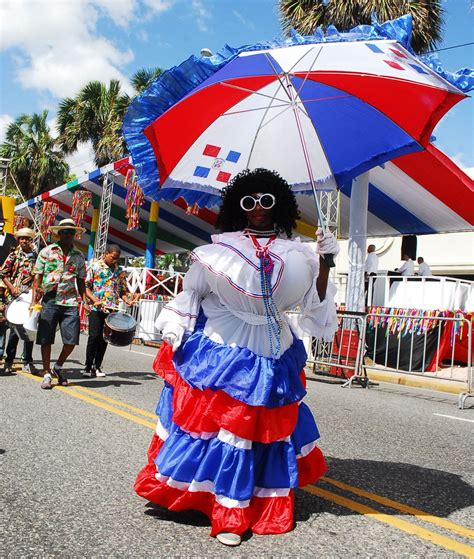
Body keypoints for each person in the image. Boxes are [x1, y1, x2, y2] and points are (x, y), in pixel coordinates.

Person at [134, 169, 339, 546]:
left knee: (262, 428)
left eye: (266, 200)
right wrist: (175, 327)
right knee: (229, 427)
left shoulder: (299, 253)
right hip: (223, 346)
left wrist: (326, 261)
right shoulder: (218, 251)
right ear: (238, 208)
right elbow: (191, 294)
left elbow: (316, 304)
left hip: (273, 345)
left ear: (279, 205)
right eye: (249, 201)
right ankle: (227, 510)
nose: (258, 208)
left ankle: (253, 498)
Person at [31, 218, 88, 390]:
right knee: (46, 338)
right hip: (50, 298)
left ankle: (59, 366)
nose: (68, 235)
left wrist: (84, 300)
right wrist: (35, 297)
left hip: (70, 301)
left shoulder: (78, 255)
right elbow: (37, 276)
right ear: (58, 233)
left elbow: (81, 280)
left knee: (71, 340)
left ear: (75, 234)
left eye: (71, 232)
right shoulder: (47, 251)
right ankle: (47, 372)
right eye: (65, 232)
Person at [84, 244, 130, 377]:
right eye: (113, 257)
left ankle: (97, 366)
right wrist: (94, 300)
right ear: (106, 254)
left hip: (111, 309)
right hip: (96, 307)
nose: (115, 261)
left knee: (105, 338)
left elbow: (122, 290)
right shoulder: (95, 266)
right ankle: (87, 366)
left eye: (117, 258)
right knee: (94, 336)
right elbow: (86, 287)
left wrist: (126, 300)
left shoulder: (119, 270)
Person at [0, 227, 38, 374]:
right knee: (15, 330)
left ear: (31, 240)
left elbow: (39, 277)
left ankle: (27, 361)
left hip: (30, 297)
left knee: (29, 329)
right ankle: (9, 360)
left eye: (26, 238)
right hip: (15, 297)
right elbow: (3, 273)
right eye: (21, 238)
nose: (23, 241)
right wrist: (12, 287)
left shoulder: (36, 257)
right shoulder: (13, 255)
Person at [0, 280, 8, 362]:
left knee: (2, 340)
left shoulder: (5, 299)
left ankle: (0, 354)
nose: (1, 291)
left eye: (2, 289)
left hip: (3, 322)